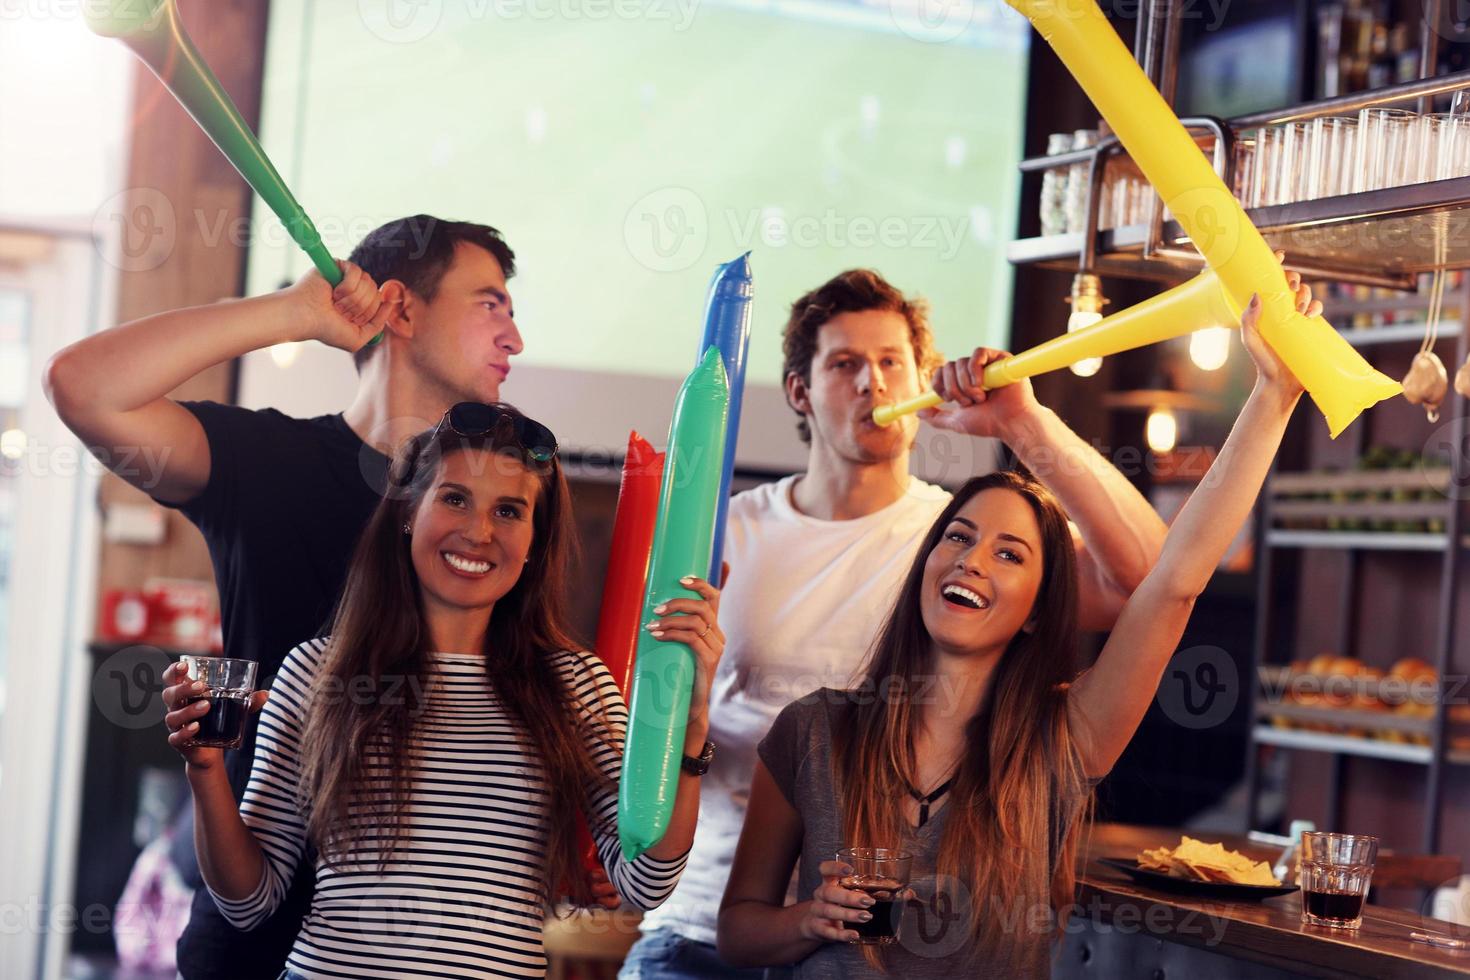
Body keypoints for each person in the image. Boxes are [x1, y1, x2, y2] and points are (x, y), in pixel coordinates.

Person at [715, 290, 1304, 977]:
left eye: (1010, 553)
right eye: (958, 537)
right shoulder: (814, 732)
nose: (971, 559)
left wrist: (1274, 395)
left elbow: (1173, 580)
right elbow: (740, 930)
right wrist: (805, 919)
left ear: (1036, 607)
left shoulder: (1059, 738)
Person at [620, 266, 1172, 979]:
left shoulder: (958, 548)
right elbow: (648, 714)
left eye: (890, 363)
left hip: (875, 952)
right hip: (701, 924)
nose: (872, 385)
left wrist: (1020, 421)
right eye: (845, 364)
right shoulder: (725, 533)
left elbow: (1150, 583)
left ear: (920, 379)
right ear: (800, 391)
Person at [44, 216, 547, 978]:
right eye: (490, 305)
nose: (514, 339)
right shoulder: (262, 460)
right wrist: (293, 312)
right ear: (400, 307)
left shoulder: (495, 524)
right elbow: (82, 387)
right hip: (252, 916)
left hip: (425, 944)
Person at [159, 404, 722, 979]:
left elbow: (644, 882)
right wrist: (204, 772)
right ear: (408, 511)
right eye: (455, 498)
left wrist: (693, 727)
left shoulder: (575, 685)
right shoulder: (315, 672)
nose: (479, 532)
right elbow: (249, 901)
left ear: (534, 542)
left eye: (509, 510)